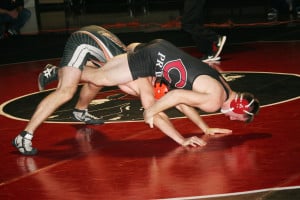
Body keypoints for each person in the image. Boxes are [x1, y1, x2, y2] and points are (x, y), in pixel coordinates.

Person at [81, 39, 260, 130]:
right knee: (100, 79)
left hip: (162, 48)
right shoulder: (214, 101)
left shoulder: (223, 86)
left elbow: (181, 100)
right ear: (238, 106)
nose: (231, 119)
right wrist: (150, 111)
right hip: (154, 61)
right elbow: (175, 96)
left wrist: (204, 127)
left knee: (116, 61)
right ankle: (63, 70)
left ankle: (95, 59)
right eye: (237, 117)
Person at [12, 25, 128, 155]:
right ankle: (24, 136)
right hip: (82, 41)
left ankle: (80, 111)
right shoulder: (132, 69)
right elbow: (135, 91)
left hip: (95, 41)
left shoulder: (138, 60)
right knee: (66, 91)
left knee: (99, 80)